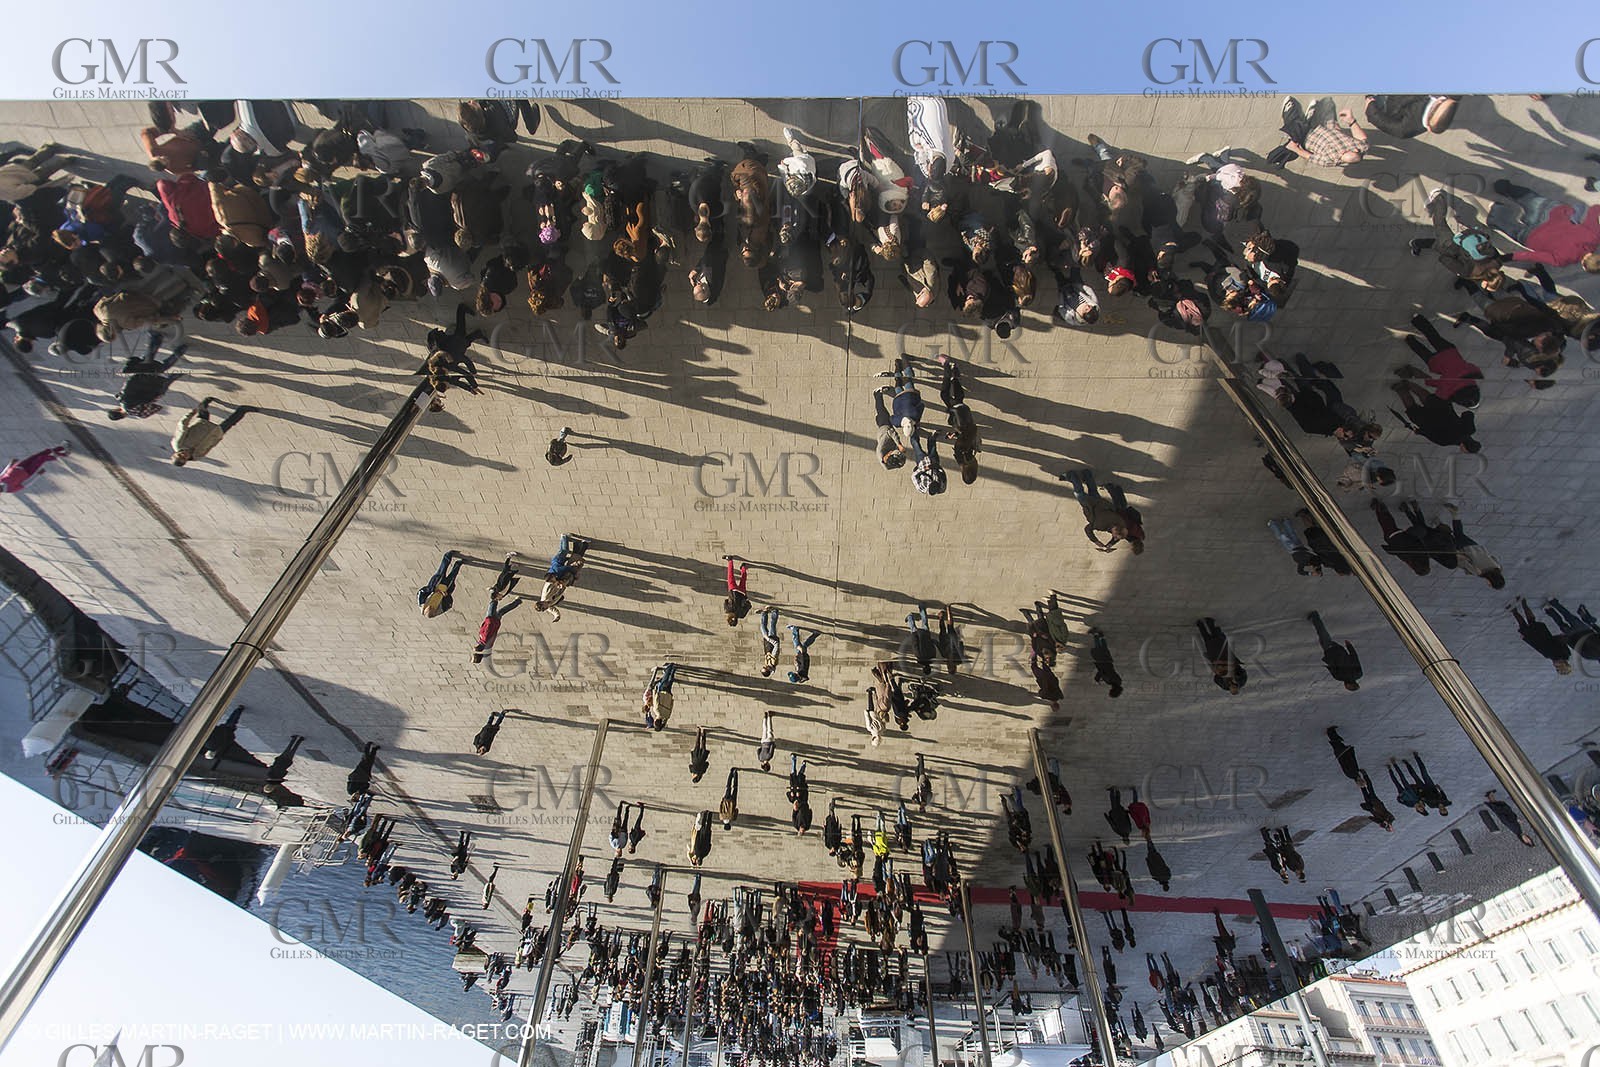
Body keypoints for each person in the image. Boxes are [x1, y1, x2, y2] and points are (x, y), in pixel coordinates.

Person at [1485, 179, 1600, 271]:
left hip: (1551, 215)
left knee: (1530, 199)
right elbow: (1530, 256)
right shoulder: (1561, 260)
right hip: (1532, 236)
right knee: (1512, 228)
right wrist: (1504, 258)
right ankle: (1496, 213)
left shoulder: (1594, 237)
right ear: (1584, 267)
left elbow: (1594, 209)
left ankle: (1504, 188)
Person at [1062, 468, 1143, 553]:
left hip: (1100, 503)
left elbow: (1120, 533)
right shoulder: (1100, 525)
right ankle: (1071, 475)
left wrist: (1110, 544)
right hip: (1089, 505)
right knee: (1079, 492)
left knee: (1093, 490)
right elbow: (1087, 529)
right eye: (1114, 536)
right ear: (1114, 530)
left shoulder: (1121, 523)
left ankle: (1087, 474)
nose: (1114, 537)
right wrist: (1096, 541)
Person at [1279, 97, 1369, 167]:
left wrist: (1295, 149)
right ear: (1355, 150)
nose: (1342, 151)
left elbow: (1309, 156)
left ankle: (1289, 111)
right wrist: (1351, 121)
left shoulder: (1328, 160)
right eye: (1346, 150)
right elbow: (1362, 138)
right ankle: (1310, 119)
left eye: (1342, 154)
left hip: (1309, 138)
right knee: (1328, 103)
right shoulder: (1361, 147)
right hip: (1329, 128)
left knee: (1294, 127)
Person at [171, 397, 253, 466]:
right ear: (186, 461)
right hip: (214, 434)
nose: (184, 455)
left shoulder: (178, 443)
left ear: (175, 454)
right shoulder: (197, 457)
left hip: (201, 426)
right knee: (231, 422)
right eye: (184, 458)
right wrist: (217, 439)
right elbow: (208, 448)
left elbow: (182, 426)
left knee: (203, 411)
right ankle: (242, 409)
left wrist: (191, 413)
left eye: (179, 455)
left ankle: (206, 401)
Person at [937, 356, 980, 485]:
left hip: (967, 420)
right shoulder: (962, 458)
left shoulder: (972, 457)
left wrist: (955, 435)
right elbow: (961, 443)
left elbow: (966, 439)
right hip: (958, 420)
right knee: (945, 395)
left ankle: (955, 375)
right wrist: (954, 435)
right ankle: (947, 368)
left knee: (958, 399)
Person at [472, 557, 522, 664]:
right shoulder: (484, 639)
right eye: (474, 650)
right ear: (477, 649)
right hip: (491, 619)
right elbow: (488, 627)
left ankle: (516, 602)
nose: (473, 647)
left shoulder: (485, 644)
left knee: (503, 611)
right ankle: (497, 592)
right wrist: (489, 618)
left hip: (496, 622)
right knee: (493, 601)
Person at [1510, 598, 1573, 674]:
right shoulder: (1551, 655)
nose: (1555, 666)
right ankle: (1514, 611)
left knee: (1531, 621)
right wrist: (1526, 639)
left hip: (1544, 634)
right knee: (1523, 625)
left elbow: (1562, 642)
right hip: (1537, 638)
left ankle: (1523, 605)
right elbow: (1538, 647)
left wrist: (1559, 637)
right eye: (1557, 667)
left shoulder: (1566, 654)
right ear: (1561, 665)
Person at [536, 534, 590, 621]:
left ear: (542, 603)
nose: (547, 608)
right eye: (545, 609)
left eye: (544, 607)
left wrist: (558, 583)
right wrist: (557, 617)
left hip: (562, 579)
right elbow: (553, 610)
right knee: (575, 563)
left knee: (575, 563)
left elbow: (549, 582)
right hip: (565, 582)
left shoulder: (546, 594)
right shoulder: (549, 604)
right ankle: (579, 545)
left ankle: (582, 544)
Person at [1307, 611, 1362, 691]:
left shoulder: (1359, 674)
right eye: (1347, 687)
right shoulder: (1340, 677)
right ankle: (1315, 617)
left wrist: (1349, 646)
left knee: (1324, 638)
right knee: (1323, 635)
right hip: (1331, 652)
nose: (1345, 687)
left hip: (1340, 650)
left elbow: (1355, 658)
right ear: (1349, 685)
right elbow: (1332, 668)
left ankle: (1316, 621)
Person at [1196, 617, 1245, 694]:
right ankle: (1210, 623)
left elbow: (1216, 679)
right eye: (1235, 687)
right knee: (1220, 640)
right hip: (1228, 660)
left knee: (1208, 641)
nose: (1233, 687)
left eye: (1232, 688)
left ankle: (1200, 625)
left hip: (1217, 663)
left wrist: (1220, 674)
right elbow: (1242, 672)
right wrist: (1235, 676)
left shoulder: (1225, 686)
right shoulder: (1242, 681)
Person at [0, 443, 71, 494]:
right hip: (28, 472)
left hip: (19, 466)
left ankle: (61, 447)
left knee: (39, 454)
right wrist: (38, 475)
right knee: (41, 458)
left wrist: (10, 464)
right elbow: (26, 483)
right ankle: (64, 454)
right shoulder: (11, 489)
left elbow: (4, 473)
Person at [418, 551, 466, 618]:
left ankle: (448, 555)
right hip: (446, 588)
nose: (431, 606)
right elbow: (449, 604)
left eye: (429, 607)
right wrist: (446, 596)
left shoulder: (422, 603)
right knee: (453, 574)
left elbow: (421, 591)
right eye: (432, 608)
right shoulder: (440, 610)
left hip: (436, 583)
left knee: (442, 569)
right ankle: (458, 563)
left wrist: (432, 589)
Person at [1089, 628, 1123, 698]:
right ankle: (1095, 634)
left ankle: (1101, 636)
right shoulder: (1110, 681)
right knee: (1098, 648)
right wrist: (1097, 678)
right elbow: (1102, 671)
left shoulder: (1118, 682)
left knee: (1104, 648)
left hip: (1108, 661)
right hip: (1102, 662)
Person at [722, 554, 751, 626]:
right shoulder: (727, 610)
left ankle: (743, 568)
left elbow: (749, 606)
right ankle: (730, 560)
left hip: (742, 593)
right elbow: (725, 602)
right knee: (730, 576)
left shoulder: (742, 615)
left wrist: (745, 601)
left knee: (743, 580)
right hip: (733, 590)